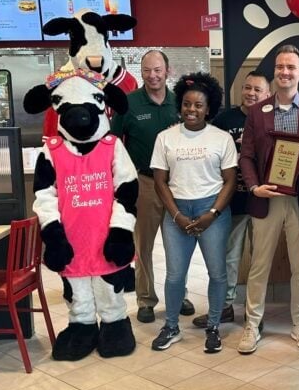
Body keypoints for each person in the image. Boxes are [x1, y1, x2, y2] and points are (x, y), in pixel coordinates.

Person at [237, 44, 299, 354]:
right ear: (274, 72)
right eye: (280, 67)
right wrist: (253, 186)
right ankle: (252, 324)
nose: (284, 72)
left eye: (291, 67)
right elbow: (246, 155)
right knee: (259, 265)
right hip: (266, 198)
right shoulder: (257, 112)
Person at [150, 72, 237, 353]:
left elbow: (231, 180)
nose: (192, 110)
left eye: (198, 105)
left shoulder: (221, 139)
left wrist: (212, 212)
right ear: (180, 105)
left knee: (217, 273)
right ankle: (171, 326)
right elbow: (160, 181)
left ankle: (213, 327)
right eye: (187, 104)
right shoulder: (166, 138)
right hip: (177, 211)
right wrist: (176, 215)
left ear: (208, 108)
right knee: (175, 276)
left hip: (212, 211)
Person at [110, 50, 195, 324]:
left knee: (178, 245)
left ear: (167, 71)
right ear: (141, 71)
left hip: (177, 185)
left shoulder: (180, 102)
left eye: (157, 70)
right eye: (147, 70)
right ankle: (145, 299)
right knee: (143, 245)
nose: (152, 75)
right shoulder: (129, 103)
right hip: (145, 183)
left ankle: (178, 295)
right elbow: (113, 142)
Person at [192, 71, 271, 328]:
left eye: (257, 90)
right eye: (247, 88)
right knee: (228, 257)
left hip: (263, 201)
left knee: (260, 258)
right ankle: (224, 307)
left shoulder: (272, 119)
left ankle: (254, 312)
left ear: (267, 94)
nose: (251, 93)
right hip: (232, 202)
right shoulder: (224, 120)